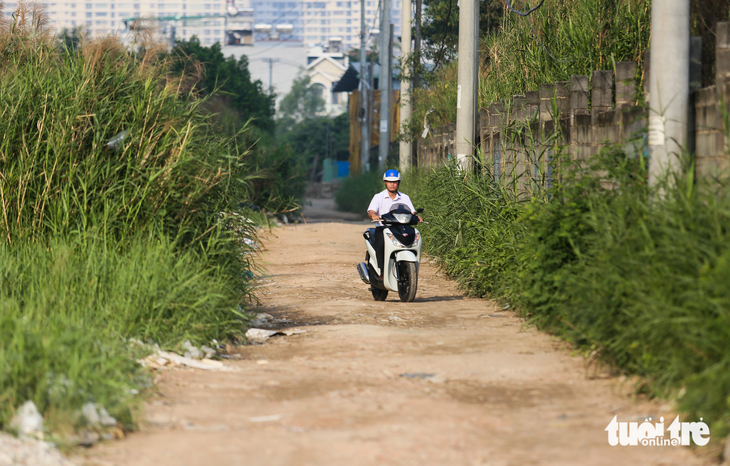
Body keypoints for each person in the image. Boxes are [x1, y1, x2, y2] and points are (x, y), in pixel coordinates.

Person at [366, 169, 421, 278]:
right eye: (389, 181)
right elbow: (371, 211)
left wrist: (417, 217)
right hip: (384, 228)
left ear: (399, 183)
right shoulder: (379, 197)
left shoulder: (405, 197)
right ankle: (381, 271)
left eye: (395, 181)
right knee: (381, 244)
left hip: (401, 228)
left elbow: (412, 212)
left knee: (412, 239)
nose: (392, 184)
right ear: (385, 182)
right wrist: (373, 215)